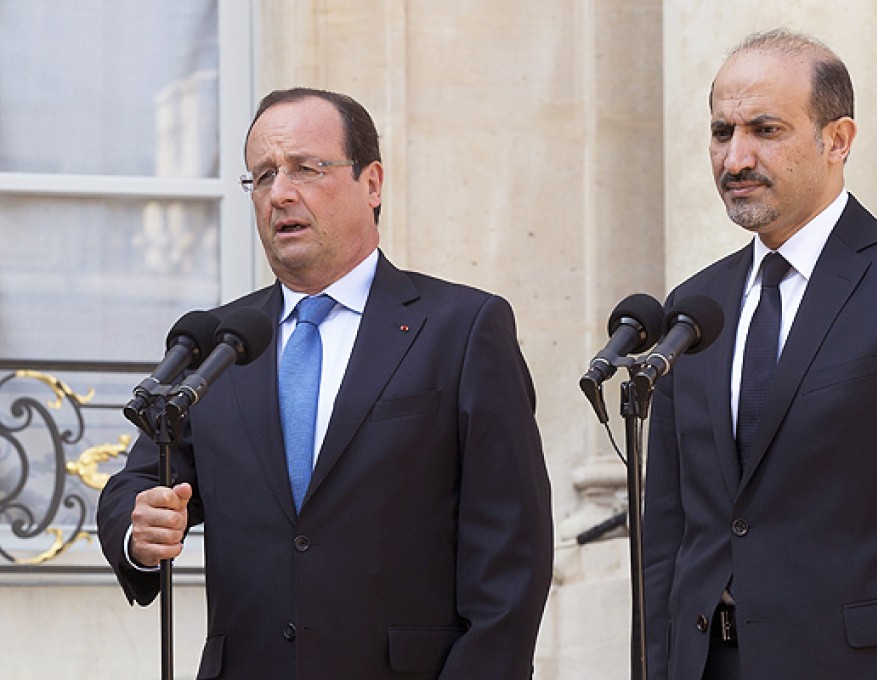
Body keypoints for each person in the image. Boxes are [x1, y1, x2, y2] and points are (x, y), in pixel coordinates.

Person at [97, 88, 553, 680]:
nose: (280, 192)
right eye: (261, 176)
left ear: (372, 184)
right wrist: (141, 528)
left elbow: (513, 557)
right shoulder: (222, 343)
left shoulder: (462, 328)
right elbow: (137, 482)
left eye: (306, 169)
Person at [642, 29, 877, 679]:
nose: (736, 158)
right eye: (722, 131)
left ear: (837, 139)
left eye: (765, 129)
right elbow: (667, 540)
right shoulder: (694, 309)